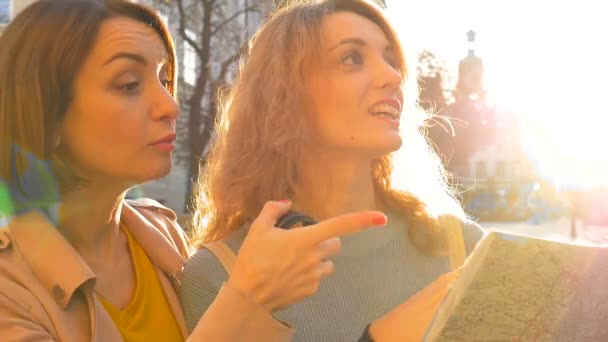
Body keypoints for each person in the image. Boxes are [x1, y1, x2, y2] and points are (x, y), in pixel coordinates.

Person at [0, 0, 386, 341]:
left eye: (166, 80)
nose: (170, 105)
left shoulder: (159, 233)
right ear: (45, 115)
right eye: (129, 84)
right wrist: (247, 299)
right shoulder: (9, 288)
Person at [180, 0, 485, 341]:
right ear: (285, 95)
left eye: (391, 60)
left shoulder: (462, 245)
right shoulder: (220, 274)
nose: (392, 76)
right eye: (351, 58)